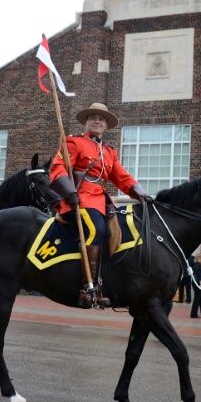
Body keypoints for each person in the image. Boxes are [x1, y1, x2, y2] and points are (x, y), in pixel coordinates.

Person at [49, 103, 152, 308]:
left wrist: (140, 193)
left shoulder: (109, 152)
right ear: (87, 122)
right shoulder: (74, 142)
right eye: (94, 117)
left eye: (102, 119)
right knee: (97, 229)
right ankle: (87, 288)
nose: (98, 121)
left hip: (102, 201)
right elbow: (57, 168)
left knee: (118, 232)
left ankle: (106, 280)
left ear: (106, 126)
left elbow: (121, 176)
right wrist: (69, 192)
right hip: (80, 200)